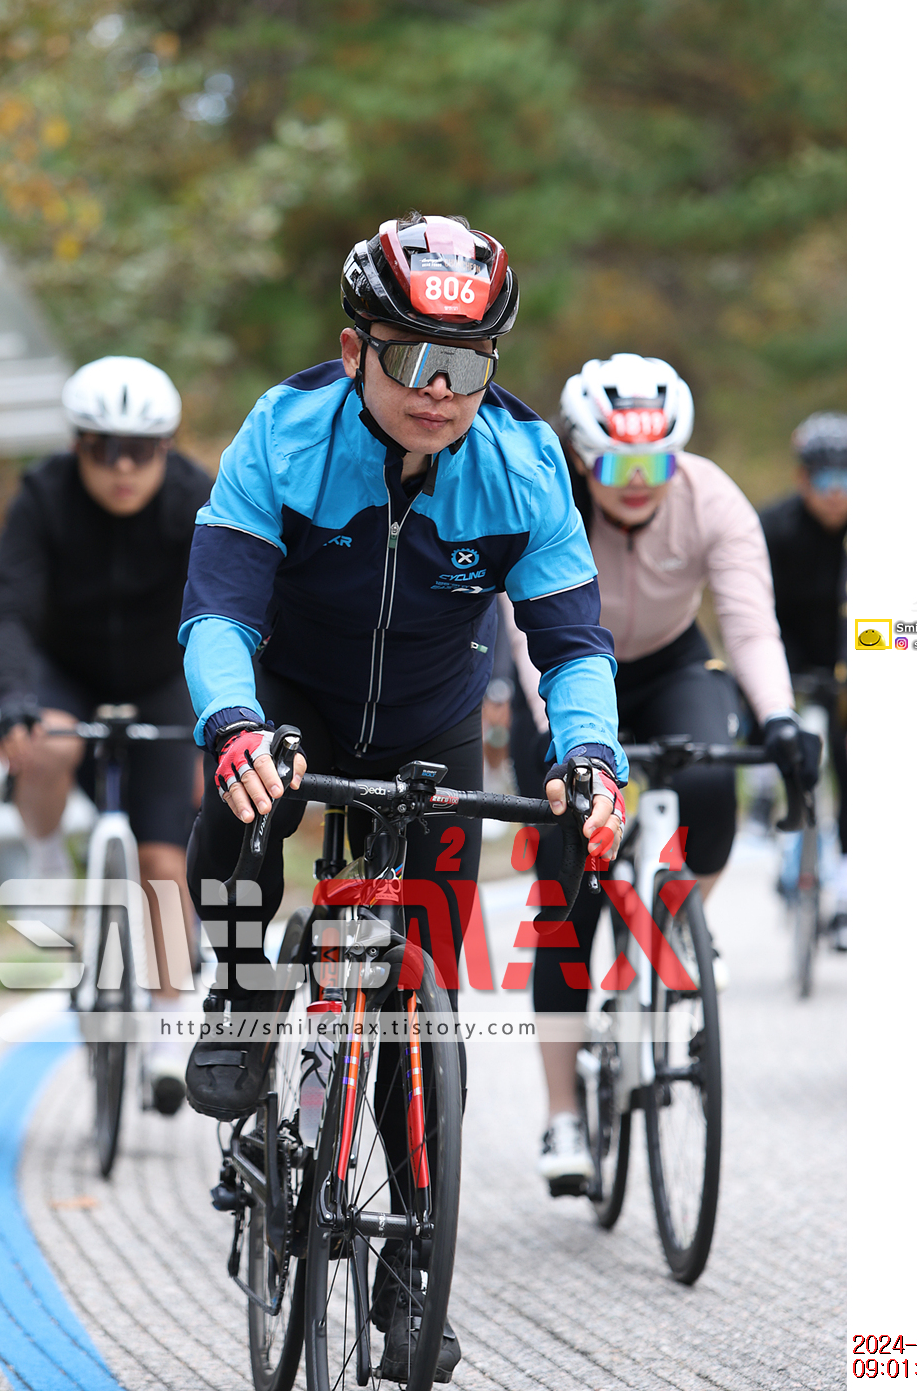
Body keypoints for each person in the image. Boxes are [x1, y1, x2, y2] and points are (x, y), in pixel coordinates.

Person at [178, 213, 627, 1382]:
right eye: (416, 358)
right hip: (294, 700)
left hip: (431, 726)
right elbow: (218, 614)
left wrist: (590, 755)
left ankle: (410, 1268)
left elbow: (572, 647)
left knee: (423, 1010)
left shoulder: (522, 463)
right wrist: (233, 723)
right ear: (353, 350)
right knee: (242, 804)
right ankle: (243, 991)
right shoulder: (284, 434)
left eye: (467, 365)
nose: (440, 389)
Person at [500, 353, 820, 1195]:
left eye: (656, 464)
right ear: (581, 456)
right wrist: (567, 740)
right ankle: (563, 1114)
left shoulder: (713, 498)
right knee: (567, 899)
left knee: (714, 781)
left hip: (673, 663)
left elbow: (749, 625)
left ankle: (672, 920)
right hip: (564, 670)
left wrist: (781, 719)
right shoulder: (542, 498)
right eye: (618, 466)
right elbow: (527, 637)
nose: (639, 484)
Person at [0, 356, 212, 1114]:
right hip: (67, 672)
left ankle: (170, 1023)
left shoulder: (195, 499)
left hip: (162, 675)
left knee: (161, 859)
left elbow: (233, 608)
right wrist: (15, 700)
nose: (122, 468)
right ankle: (48, 857)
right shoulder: (43, 496)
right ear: (76, 444)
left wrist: (225, 715)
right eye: (102, 448)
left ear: (167, 447)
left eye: (141, 450)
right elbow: (9, 608)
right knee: (45, 742)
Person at [758, 410, 847, 947]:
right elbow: (756, 612)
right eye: (825, 479)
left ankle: (849, 889)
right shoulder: (773, 528)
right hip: (786, 648)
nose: (836, 493)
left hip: (850, 649)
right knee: (772, 714)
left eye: (847, 479)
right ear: (802, 478)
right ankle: (767, 801)